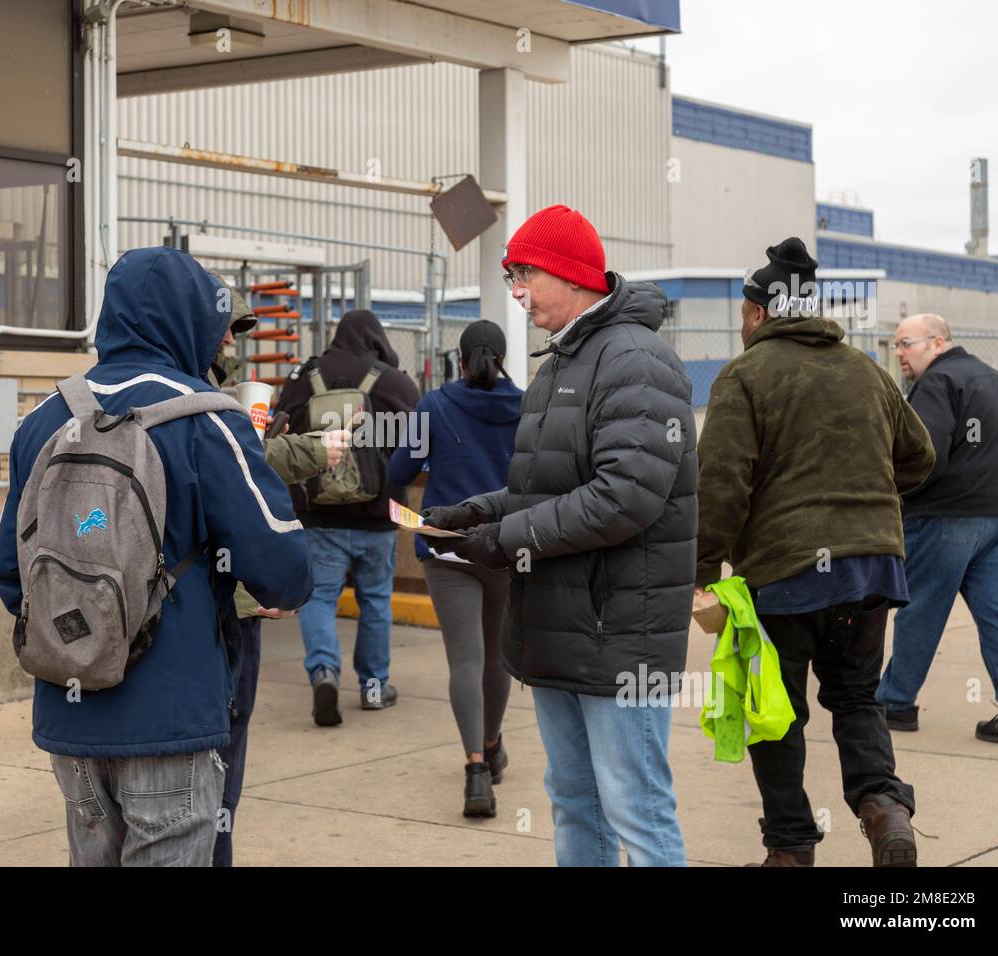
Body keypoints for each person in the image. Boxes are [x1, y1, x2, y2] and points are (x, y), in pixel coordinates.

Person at [0, 248, 313, 867]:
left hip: (71, 718)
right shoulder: (208, 418)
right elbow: (284, 567)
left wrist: (85, 633)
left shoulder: (43, 421)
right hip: (173, 719)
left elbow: (13, 574)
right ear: (188, 320)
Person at [426, 205, 695, 867]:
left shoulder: (635, 360)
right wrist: (479, 513)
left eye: (525, 274)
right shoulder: (559, 367)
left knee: (636, 809)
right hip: (560, 626)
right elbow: (551, 485)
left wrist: (503, 538)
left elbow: (622, 497)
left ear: (573, 275)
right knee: (575, 802)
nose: (515, 291)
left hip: (617, 631)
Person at [695, 238, 936, 867]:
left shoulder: (744, 375)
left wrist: (698, 571)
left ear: (756, 313)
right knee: (856, 698)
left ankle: (791, 851)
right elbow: (920, 457)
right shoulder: (867, 370)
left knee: (775, 712)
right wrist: (866, 502)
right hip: (872, 566)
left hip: (785, 574)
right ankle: (884, 808)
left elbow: (721, 483)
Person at [208, 283, 349, 866]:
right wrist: (314, 451)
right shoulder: (200, 398)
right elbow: (244, 468)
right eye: (222, 327)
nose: (229, 339)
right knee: (218, 751)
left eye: (235, 330)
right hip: (226, 607)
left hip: (214, 598)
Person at [387, 319, 522, 818]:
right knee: (498, 657)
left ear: (459, 361)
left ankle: (476, 774)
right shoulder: (529, 406)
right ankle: (491, 744)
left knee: (466, 659)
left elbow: (399, 471)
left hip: (448, 549)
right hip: (509, 547)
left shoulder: (434, 406)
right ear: (503, 359)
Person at [878, 314, 998, 747]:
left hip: (947, 518)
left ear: (938, 342)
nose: (900, 353)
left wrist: (900, 497)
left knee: (921, 607)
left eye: (907, 343)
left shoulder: (938, 383)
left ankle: (895, 703)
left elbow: (925, 455)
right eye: (897, 344)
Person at [276, 309, 421, 727]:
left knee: (319, 597)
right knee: (374, 600)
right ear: (376, 339)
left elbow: (278, 433)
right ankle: (374, 689)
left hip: (318, 515)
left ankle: (324, 673)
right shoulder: (393, 381)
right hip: (378, 516)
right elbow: (418, 441)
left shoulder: (305, 377)